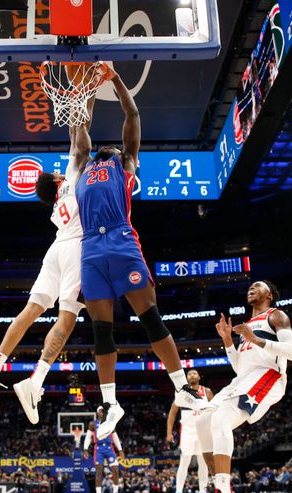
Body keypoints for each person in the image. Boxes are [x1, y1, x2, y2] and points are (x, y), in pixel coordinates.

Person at [72, 64, 210, 440]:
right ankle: (110, 403)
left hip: (120, 240)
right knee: (101, 328)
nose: (108, 145)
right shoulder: (83, 165)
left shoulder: (125, 161)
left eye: (114, 144)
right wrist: (81, 90)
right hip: (90, 248)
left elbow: (131, 114)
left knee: (149, 316)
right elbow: (79, 126)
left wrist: (113, 79)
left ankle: (182, 385)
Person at [0, 95, 97, 423]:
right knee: (69, 316)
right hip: (75, 248)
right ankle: (36, 379)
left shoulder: (59, 197)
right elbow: (81, 141)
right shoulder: (71, 177)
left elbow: (77, 137)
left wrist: (79, 103)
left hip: (56, 248)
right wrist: (87, 96)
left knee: (31, 310)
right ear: (58, 180)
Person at [192, 281, 292, 493]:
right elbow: (240, 368)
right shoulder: (247, 326)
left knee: (220, 419)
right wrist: (228, 341)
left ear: (269, 294)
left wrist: (257, 339)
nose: (251, 288)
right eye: (249, 286)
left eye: (257, 286)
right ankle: (223, 490)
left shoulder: (276, 316)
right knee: (201, 421)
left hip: (268, 376)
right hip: (245, 379)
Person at [166, 369, 214, 493]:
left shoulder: (207, 392)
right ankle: (179, 492)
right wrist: (169, 433)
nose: (192, 375)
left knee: (203, 462)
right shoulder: (182, 393)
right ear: (186, 378)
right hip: (188, 430)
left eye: (194, 373)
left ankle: (203, 492)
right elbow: (172, 414)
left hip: (204, 430)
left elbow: (216, 409)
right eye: (189, 374)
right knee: (184, 461)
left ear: (199, 377)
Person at [83, 407, 124, 493]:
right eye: (101, 411)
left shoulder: (110, 423)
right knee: (99, 471)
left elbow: (115, 437)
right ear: (97, 412)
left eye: (104, 411)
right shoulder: (93, 424)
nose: (103, 413)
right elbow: (88, 437)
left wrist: (120, 450)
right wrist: (85, 449)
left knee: (115, 470)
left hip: (110, 448)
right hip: (99, 449)